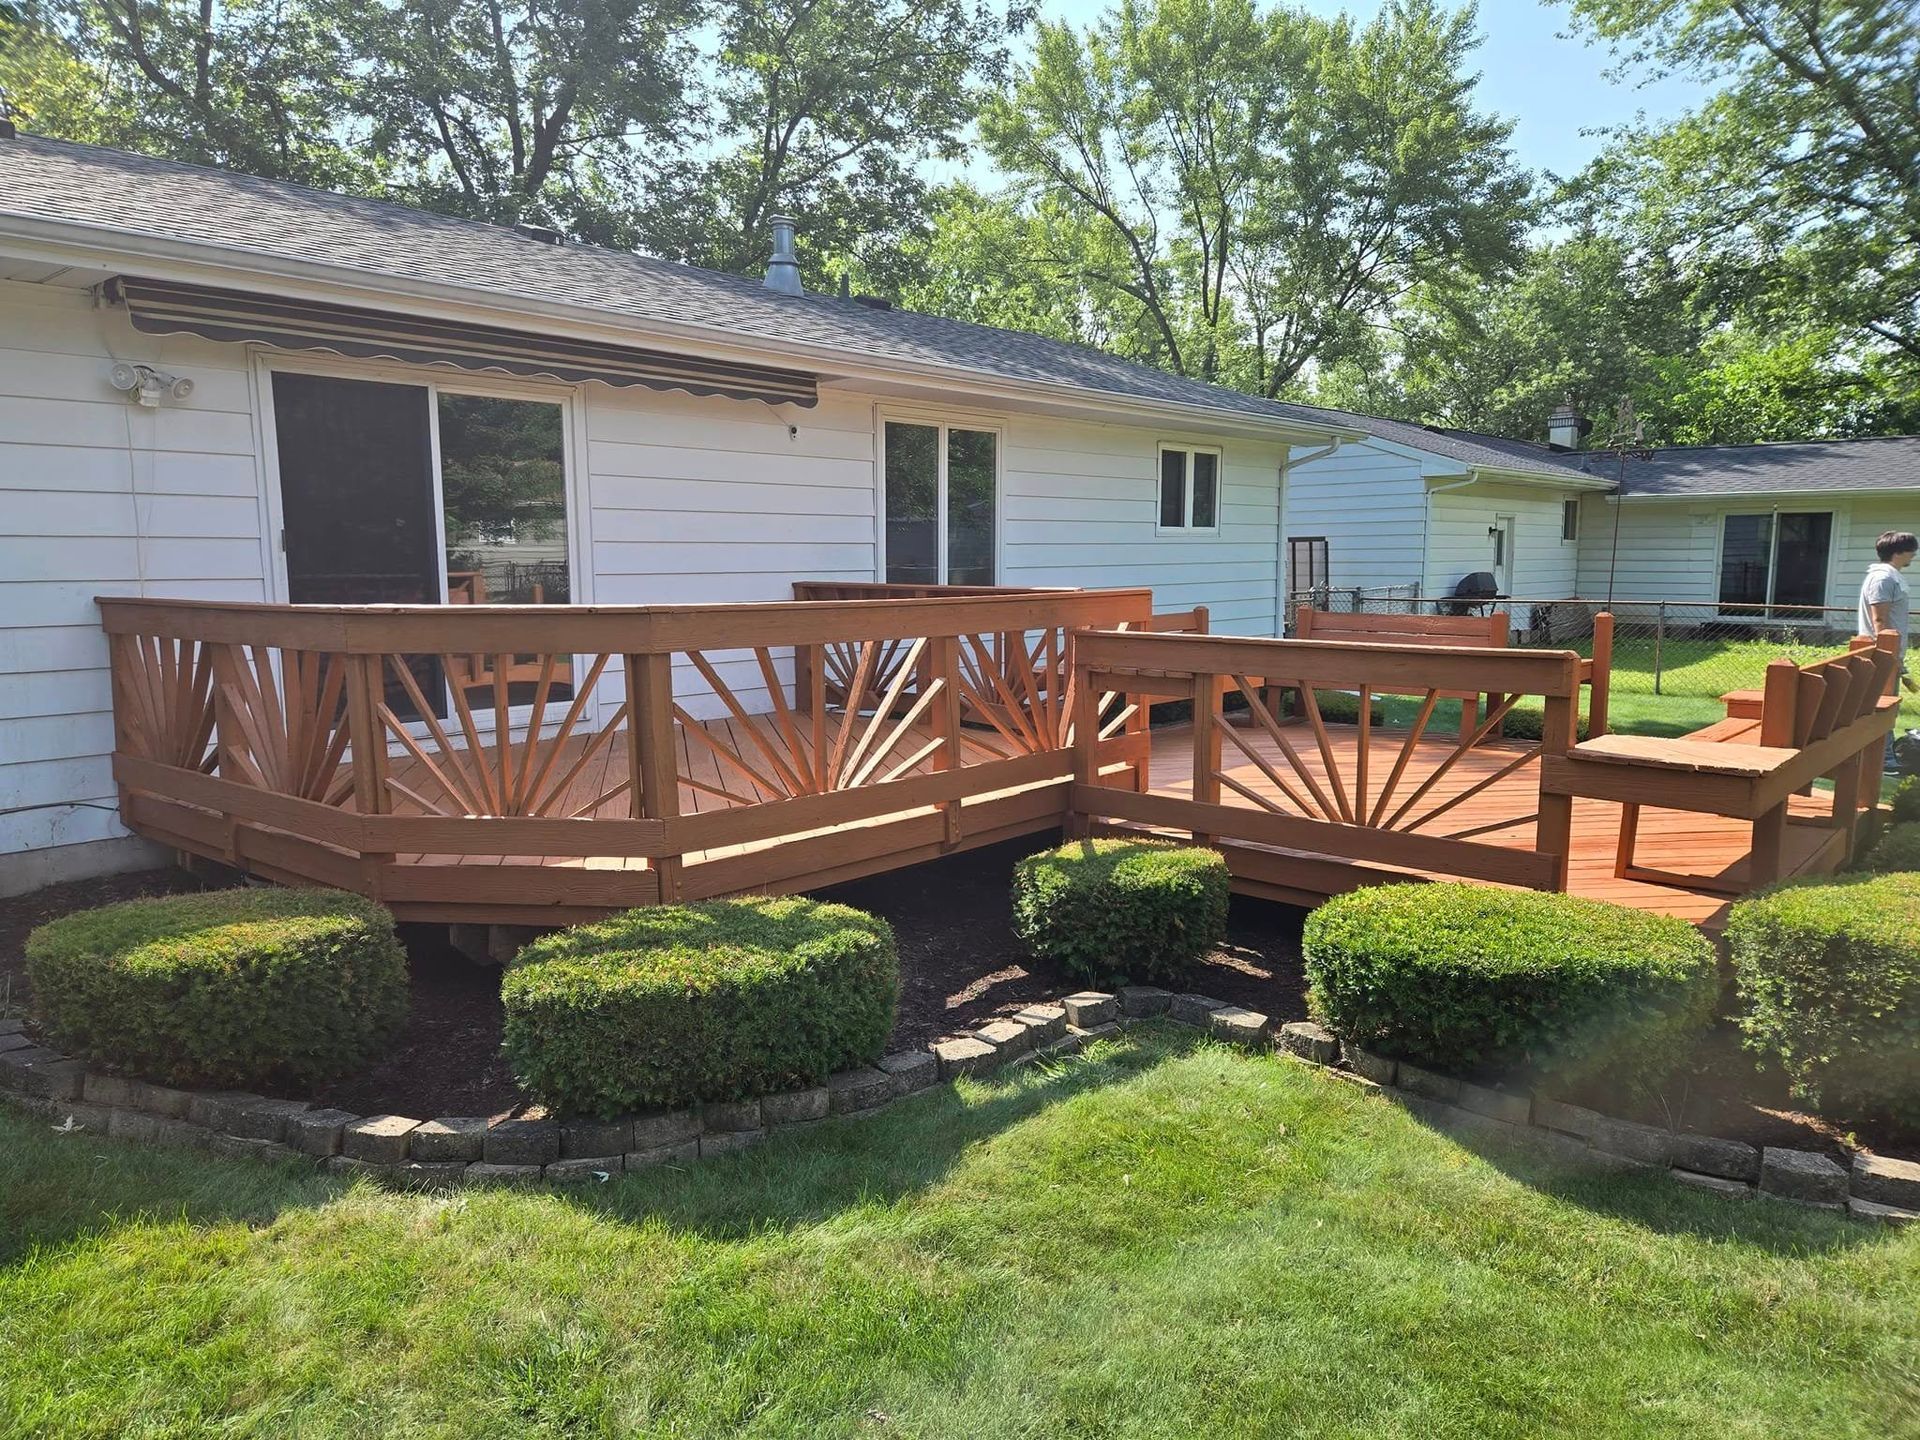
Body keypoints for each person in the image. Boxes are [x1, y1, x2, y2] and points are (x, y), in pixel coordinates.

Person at [1859, 530, 1917, 693]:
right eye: (1911, 550)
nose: (1914, 554)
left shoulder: (1892, 577)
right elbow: (1879, 620)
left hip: (1888, 655)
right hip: (1881, 656)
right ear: (1897, 552)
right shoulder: (1883, 579)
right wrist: (1890, 654)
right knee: (1880, 706)